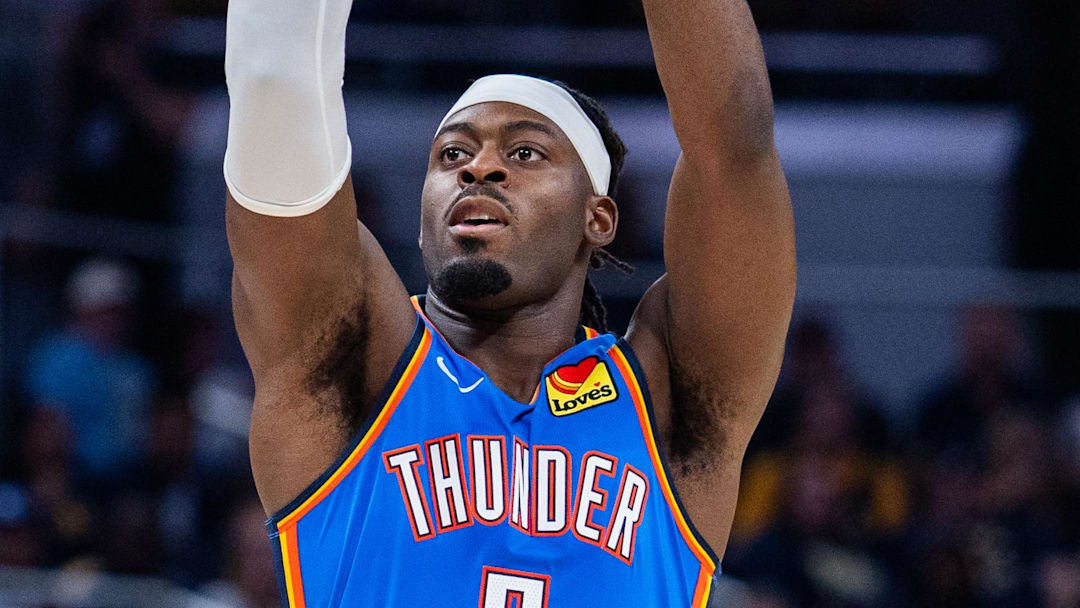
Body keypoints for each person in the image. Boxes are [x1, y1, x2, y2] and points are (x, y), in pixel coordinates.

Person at [223, 0, 794, 605]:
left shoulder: (668, 396)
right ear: (422, 223)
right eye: (452, 155)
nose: (480, 168)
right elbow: (274, 85)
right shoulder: (355, 357)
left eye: (524, 153)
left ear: (597, 218)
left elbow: (735, 146)